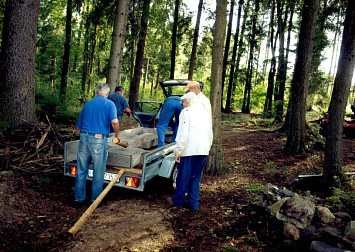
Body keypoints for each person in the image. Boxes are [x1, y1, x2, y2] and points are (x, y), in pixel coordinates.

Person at [74, 84, 122, 208]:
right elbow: (115, 121)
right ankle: (96, 199)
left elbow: (79, 125)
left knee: (81, 170)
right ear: (107, 93)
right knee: (98, 170)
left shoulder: (88, 104)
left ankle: (79, 199)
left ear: (96, 93)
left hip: (84, 138)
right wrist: (117, 135)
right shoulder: (109, 104)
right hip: (99, 140)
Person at [167, 92, 213, 210]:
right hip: (203, 150)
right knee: (196, 178)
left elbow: (183, 133)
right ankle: (193, 203)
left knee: (183, 177)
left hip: (189, 150)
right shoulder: (205, 113)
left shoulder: (186, 112)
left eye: (182, 103)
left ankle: (178, 201)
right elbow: (210, 134)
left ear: (187, 102)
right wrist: (207, 148)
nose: (182, 105)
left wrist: (178, 151)